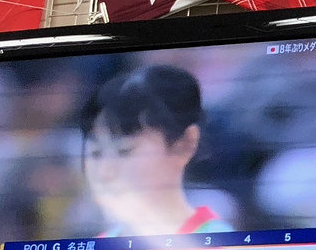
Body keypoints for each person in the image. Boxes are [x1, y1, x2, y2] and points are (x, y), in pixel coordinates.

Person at [80, 65, 232, 238]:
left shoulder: (221, 243)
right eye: (96, 153)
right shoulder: (98, 246)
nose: (104, 171)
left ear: (185, 144)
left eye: (124, 151)